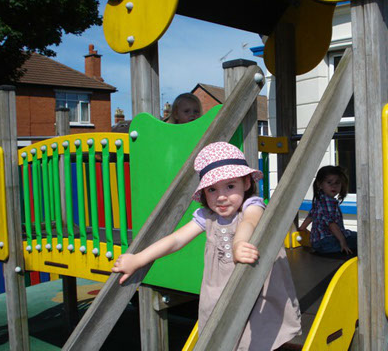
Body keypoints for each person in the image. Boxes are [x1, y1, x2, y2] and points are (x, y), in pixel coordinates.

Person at [112, 142, 301, 350]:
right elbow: (176, 240)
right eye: (212, 189)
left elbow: (251, 222)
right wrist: (138, 259)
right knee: (223, 332)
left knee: (257, 336)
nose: (221, 196)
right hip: (219, 290)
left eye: (230, 186)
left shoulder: (251, 205)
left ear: (246, 183)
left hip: (255, 288)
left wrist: (239, 243)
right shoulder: (207, 216)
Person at [298, 165, 357, 255]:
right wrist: (343, 242)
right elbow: (331, 224)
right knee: (360, 239)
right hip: (327, 242)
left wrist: (302, 228)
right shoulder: (328, 202)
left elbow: (311, 216)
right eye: (329, 182)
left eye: (337, 183)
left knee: (354, 236)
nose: (333, 186)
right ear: (320, 185)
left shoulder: (319, 199)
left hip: (317, 243)